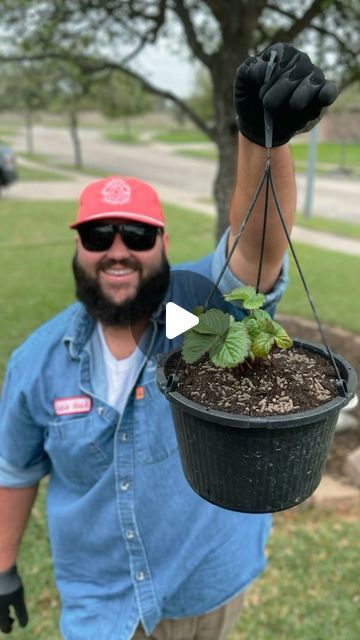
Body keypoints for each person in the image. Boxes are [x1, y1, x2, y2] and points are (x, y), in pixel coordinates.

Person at [0, 43, 337, 640]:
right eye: (99, 234)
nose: (118, 248)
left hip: (205, 589)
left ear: (163, 243)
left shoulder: (194, 310)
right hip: (101, 605)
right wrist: (2, 569)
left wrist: (265, 137)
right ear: (77, 247)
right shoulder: (38, 363)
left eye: (137, 233)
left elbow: (256, 249)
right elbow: (14, 470)